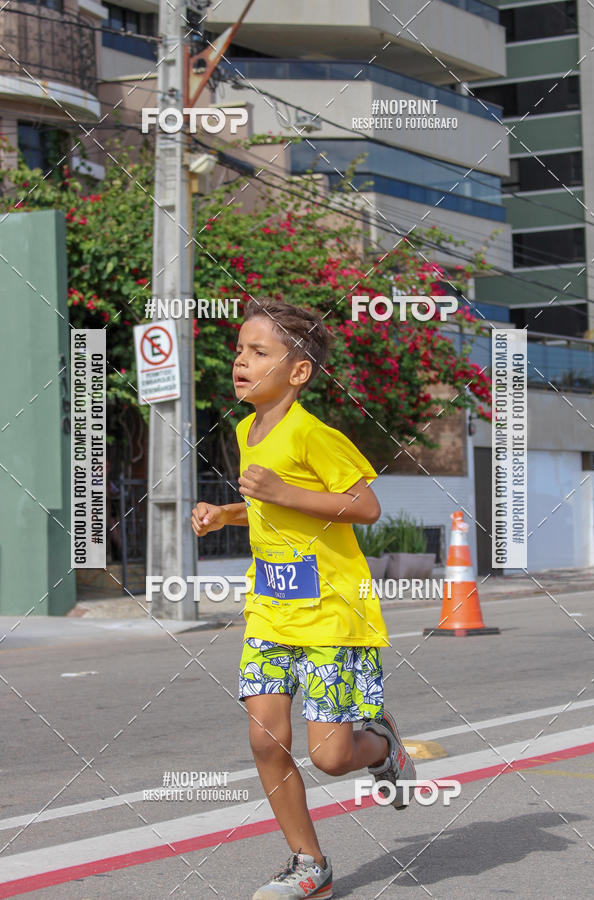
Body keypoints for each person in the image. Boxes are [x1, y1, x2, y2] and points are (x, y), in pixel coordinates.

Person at [192, 300, 416, 900]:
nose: (241, 361)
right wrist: (227, 515)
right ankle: (308, 864)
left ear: (298, 373)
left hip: (333, 613)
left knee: (331, 758)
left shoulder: (314, 434)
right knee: (265, 740)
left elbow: (365, 506)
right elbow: (272, 507)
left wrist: (282, 489)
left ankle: (382, 744)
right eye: (240, 350)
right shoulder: (246, 429)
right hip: (271, 607)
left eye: (259, 352)